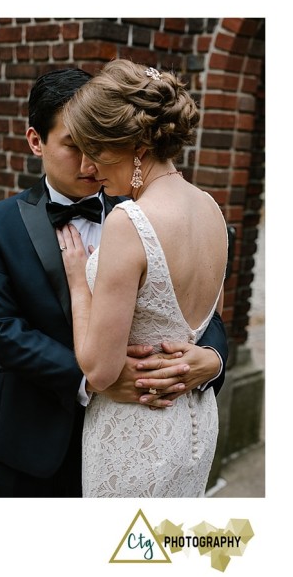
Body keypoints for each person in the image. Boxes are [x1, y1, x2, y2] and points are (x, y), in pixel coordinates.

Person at [0, 68, 228, 497]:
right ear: (37, 141)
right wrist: (94, 380)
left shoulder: (144, 214)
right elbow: (2, 331)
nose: (89, 164)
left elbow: (197, 309)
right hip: (31, 442)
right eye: (75, 145)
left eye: (97, 146)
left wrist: (212, 360)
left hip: (140, 438)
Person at [57, 60, 228, 497]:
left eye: (93, 149)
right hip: (195, 420)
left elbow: (98, 370)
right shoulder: (211, 208)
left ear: (131, 146)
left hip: (135, 427)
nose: (89, 166)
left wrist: (80, 283)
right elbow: (209, 326)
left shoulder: (128, 221)